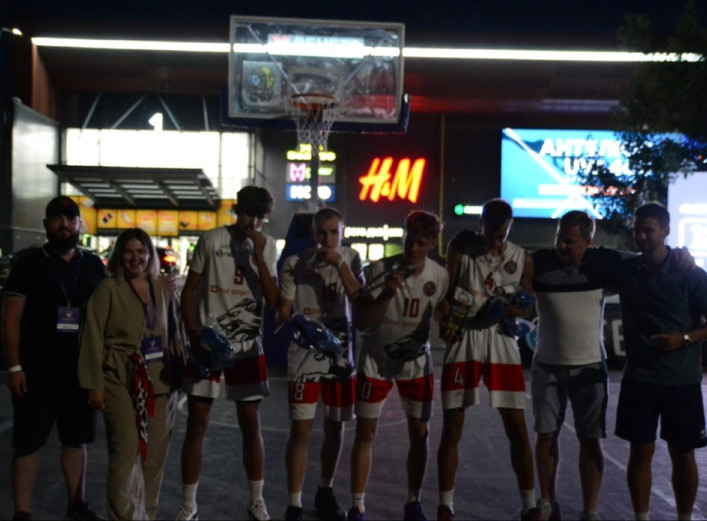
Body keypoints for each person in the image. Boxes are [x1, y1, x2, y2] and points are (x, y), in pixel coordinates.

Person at [176, 185, 279, 521]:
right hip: (208, 341)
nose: (254, 222)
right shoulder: (211, 239)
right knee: (197, 422)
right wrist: (193, 332)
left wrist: (259, 256)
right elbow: (190, 290)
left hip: (246, 344)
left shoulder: (268, 245)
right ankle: (189, 504)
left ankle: (256, 500)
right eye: (249, 214)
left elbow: (273, 300)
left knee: (250, 423)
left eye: (260, 217)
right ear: (238, 210)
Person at [2, 196, 105, 521]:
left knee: (76, 441)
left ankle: (77, 506)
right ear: (46, 224)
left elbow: (109, 314)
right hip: (36, 372)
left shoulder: (93, 265)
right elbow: (10, 319)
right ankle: (22, 512)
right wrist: (15, 367)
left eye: (70, 218)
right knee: (28, 443)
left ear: (79, 224)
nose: (64, 224)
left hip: (79, 373)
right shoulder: (28, 264)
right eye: (57, 218)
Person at [437, 198, 539, 521]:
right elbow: (444, 295)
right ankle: (445, 506)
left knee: (517, 427)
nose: (495, 239)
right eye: (490, 232)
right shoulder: (461, 248)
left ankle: (530, 506)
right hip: (465, 334)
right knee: (453, 426)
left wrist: (515, 309)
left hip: (501, 338)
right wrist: (446, 321)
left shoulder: (522, 258)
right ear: (481, 223)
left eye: (501, 233)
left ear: (510, 226)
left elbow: (528, 304)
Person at [348, 210, 449, 521]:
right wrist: (387, 293)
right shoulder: (380, 269)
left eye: (420, 243)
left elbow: (445, 319)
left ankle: (413, 501)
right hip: (376, 360)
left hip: (415, 363)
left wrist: (455, 323)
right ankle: (357, 505)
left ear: (432, 244)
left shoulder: (439, 276)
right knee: (365, 432)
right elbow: (363, 323)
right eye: (409, 240)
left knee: (419, 434)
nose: (412, 248)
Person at [78, 227, 183, 520]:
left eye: (141, 251)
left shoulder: (163, 287)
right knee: (126, 451)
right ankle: (123, 516)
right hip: (119, 378)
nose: (135, 258)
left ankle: (145, 514)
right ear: (119, 256)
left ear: (150, 255)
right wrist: (94, 385)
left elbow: (175, 331)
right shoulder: (108, 289)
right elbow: (92, 336)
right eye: (128, 252)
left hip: (160, 381)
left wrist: (181, 374)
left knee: (155, 454)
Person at [614, 203, 707, 521]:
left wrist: (685, 339)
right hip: (639, 379)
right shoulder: (627, 269)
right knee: (640, 452)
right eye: (637, 231)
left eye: (648, 230)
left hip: (681, 381)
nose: (641, 237)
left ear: (666, 231)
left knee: (683, 454)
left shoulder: (690, 273)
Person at [530, 210, 622, 521]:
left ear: (588, 242)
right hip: (547, 366)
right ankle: (546, 502)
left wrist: (679, 258)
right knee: (546, 436)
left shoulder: (603, 265)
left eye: (569, 242)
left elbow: (643, 262)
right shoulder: (540, 263)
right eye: (559, 239)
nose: (562, 247)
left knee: (590, 440)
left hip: (590, 367)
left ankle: (590, 511)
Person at [277, 207, 364, 521]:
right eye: (322, 233)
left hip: (339, 358)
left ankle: (325, 490)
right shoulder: (294, 263)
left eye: (333, 233)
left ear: (342, 233)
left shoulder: (352, 258)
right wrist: (298, 323)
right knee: (300, 430)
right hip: (304, 357)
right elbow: (283, 312)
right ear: (313, 233)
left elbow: (361, 301)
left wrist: (339, 264)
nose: (328, 239)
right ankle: (294, 504)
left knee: (335, 426)